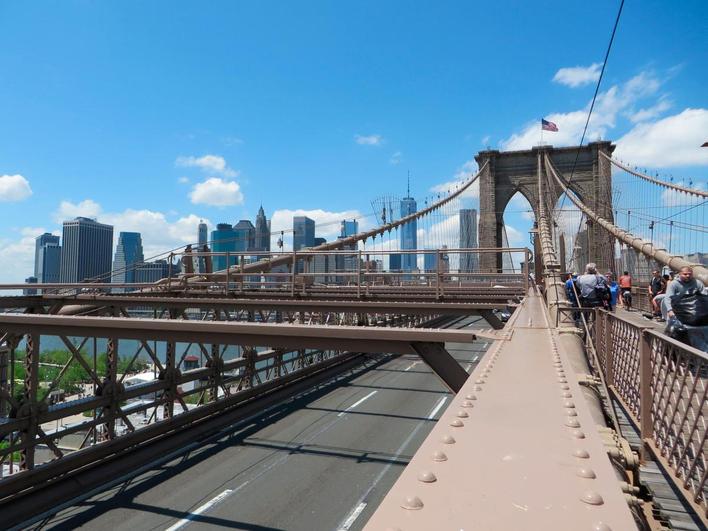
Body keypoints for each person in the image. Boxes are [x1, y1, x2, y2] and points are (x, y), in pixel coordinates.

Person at [665, 266, 708, 350]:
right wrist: (670, 310)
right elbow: (668, 298)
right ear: (680, 274)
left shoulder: (697, 283)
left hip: (694, 313)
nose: (688, 276)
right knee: (673, 331)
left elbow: (705, 296)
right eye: (685, 274)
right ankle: (669, 353)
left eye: (690, 274)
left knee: (700, 331)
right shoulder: (674, 284)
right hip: (677, 312)